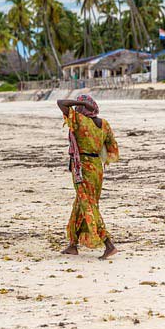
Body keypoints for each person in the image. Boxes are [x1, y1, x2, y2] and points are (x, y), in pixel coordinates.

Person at [57, 95, 120, 260]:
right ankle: (73, 244)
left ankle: (108, 244)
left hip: (83, 166)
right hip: (97, 167)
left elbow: (60, 103)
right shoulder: (104, 124)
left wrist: (79, 102)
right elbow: (112, 148)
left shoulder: (79, 120)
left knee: (88, 204)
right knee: (81, 202)